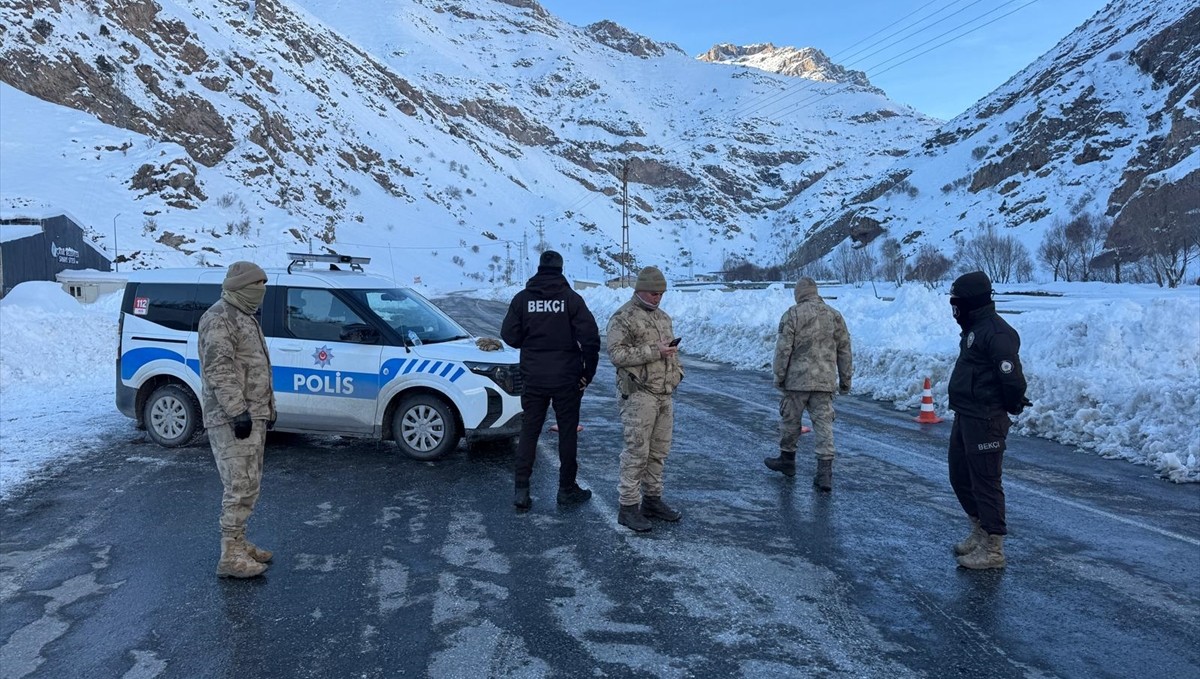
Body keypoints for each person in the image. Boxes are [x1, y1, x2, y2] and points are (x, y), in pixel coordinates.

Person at [501, 250, 601, 510]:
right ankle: (566, 489)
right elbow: (590, 338)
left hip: (533, 377)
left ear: (539, 268)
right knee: (567, 434)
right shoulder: (571, 299)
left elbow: (509, 336)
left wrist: (531, 340)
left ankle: (521, 490)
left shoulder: (523, 300)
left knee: (530, 431)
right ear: (560, 269)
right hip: (567, 378)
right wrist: (587, 373)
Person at [946, 271, 1030, 570]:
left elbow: (1012, 379)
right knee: (960, 475)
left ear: (972, 302)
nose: (954, 310)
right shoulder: (975, 328)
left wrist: (1007, 406)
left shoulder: (996, 333)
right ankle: (980, 530)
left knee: (985, 481)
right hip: (966, 414)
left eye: (958, 303)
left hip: (985, 418)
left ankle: (993, 548)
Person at [198, 261, 277, 579]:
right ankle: (229, 555)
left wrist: (266, 410)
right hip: (231, 418)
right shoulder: (219, 317)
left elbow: (256, 368)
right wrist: (237, 411)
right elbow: (219, 369)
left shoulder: (243, 316)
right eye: (257, 285)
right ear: (242, 287)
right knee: (239, 485)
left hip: (252, 413)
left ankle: (239, 543)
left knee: (250, 485)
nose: (262, 291)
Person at [607, 266, 684, 532]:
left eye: (661, 294)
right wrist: (654, 351)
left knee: (659, 451)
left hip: (664, 393)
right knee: (637, 451)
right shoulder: (623, 318)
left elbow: (671, 351)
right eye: (653, 293)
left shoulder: (663, 318)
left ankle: (652, 500)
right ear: (639, 289)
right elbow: (616, 355)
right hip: (639, 395)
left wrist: (677, 374)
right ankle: (628, 507)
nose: (657, 298)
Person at [765, 277, 853, 491]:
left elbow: (783, 349)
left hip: (797, 381)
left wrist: (779, 376)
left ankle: (787, 461)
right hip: (824, 381)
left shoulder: (792, 314)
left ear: (799, 294)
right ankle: (824, 473)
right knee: (823, 425)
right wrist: (845, 380)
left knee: (790, 422)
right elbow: (844, 349)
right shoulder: (834, 315)